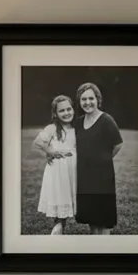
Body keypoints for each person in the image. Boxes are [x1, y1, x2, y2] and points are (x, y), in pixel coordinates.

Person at [73, 82, 123, 235]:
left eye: (91, 98)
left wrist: (103, 159)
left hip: (103, 177)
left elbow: (118, 144)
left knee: (103, 220)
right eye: (83, 99)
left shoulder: (107, 120)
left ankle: (104, 252)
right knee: (92, 219)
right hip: (84, 178)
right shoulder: (78, 122)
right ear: (80, 102)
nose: (87, 102)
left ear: (98, 99)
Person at [32, 94, 77, 234]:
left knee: (69, 196)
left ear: (73, 109)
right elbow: (38, 142)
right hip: (58, 170)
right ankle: (58, 227)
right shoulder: (52, 128)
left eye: (69, 109)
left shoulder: (76, 127)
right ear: (55, 114)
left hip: (72, 168)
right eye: (61, 111)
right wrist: (50, 151)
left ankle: (62, 226)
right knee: (60, 197)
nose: (66, 113)